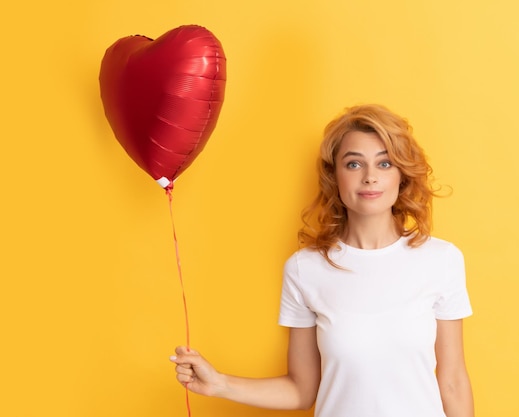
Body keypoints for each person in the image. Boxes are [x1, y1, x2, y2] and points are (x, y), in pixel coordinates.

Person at [170, 104, 474, 417]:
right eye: (354, 164)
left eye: (384, 163)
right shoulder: (305, 268)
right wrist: (220, 384)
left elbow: (452, 382)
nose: (370, 177)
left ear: (401, 174)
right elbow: (302, 391)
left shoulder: (441, 260)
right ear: (335, 176)